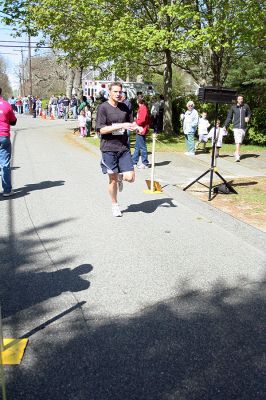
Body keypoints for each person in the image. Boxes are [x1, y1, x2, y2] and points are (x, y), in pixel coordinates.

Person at [96, 82, 138, 217]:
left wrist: (137, 127)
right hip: (108, 148)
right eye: (115, 92)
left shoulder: (125, 107)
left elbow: (132, 123)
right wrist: (120, 125)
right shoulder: (103, 108)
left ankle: (121, 177)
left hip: (123, 147)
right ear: (109, 92)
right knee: (112, 179)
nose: (118, 94)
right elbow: (101, 129)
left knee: (130, 177)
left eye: (120, 92)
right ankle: (114, 205)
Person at [0, 87, 17, 196]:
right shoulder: (6, 105)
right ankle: (7, 190)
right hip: (3, 136)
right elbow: (13, 121)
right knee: (5, 164)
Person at [224, 94, 251, 162]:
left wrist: (248, 117)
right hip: (236, 127)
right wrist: (225, 125)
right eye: (239, 99)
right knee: (238, 140)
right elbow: (229, 117)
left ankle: (236, 152)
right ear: (237, 100)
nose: (240, 100)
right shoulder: (233, 107)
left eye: (241, 99)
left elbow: (249, 113)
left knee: (240, 141)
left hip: (243, 127)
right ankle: (237, 155)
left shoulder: (246, 106)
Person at [132, 95, 150, 168]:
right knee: (137, 146)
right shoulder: (141, 108)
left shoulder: (143, 108)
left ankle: (145, 163)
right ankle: (134, 161)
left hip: (141, 129)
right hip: (139, 129)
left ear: (137, 101)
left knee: (142, 147)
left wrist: (135, 121)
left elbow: (142, 120)